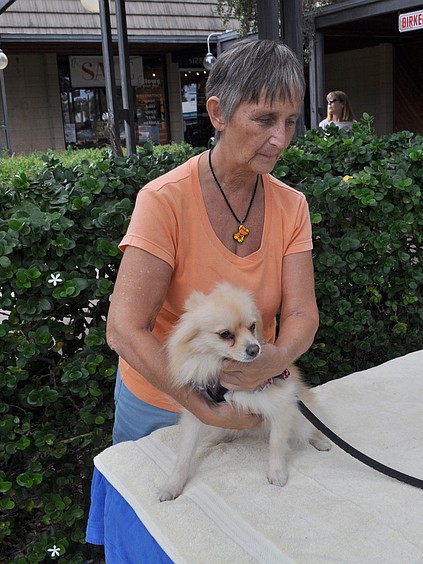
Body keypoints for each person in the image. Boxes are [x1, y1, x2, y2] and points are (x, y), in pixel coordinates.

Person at [105, 38, 319, 444]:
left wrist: (276, 358)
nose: (280, 138)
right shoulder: (163, 201)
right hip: (159, 404)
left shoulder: (292, 206)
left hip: (247, 398)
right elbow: (125, 329)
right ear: (218, 113)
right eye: (264, 119)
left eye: (289, 121)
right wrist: (200, 406)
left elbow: (301, 315)